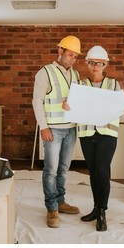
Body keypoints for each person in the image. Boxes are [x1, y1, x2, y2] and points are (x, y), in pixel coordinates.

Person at [63, 45, 124, 231]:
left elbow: (123, 106)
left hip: (107, 134)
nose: (95, 67)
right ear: (87, 64)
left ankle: (102, 212)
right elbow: (72, 105)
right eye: (92, 63)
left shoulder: (113, 84)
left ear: (105, 65)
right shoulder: (81, 85)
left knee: (102, 170)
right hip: (87, 133)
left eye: (99, 64)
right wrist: (67, 105)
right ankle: (96, 207)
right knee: (93, 171)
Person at [32, 35, 82, 228]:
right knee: (51, 170)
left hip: (70, 129)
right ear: (60, 51)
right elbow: (37, 101)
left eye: (76, 56)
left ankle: (60, 202)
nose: (73, 59)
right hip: (52, 129)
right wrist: (43, 126)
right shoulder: (45, 72)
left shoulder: (75, 75)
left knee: (63, 169)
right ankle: (51, 207)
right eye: (70, 54)